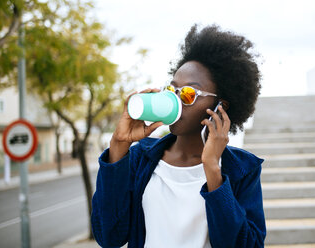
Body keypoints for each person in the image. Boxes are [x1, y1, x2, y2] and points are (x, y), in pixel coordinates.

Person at [91, 24, 266, 248]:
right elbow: (109, 236)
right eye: (172, 90)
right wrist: (118, 145)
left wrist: (212, 168)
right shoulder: (140, 158)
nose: (175, 100)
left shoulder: (242, 169)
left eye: (188, 94)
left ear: (220, 106)